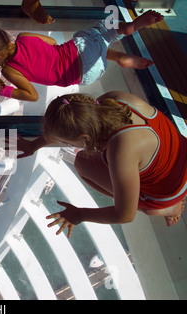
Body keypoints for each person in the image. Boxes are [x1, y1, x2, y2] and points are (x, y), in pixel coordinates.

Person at [10, 91, 187, 237]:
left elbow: (125, 215)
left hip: (169, 193)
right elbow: (70, 125)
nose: (70, 146)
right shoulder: (113, 100)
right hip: (182, 158)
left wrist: (79, 215)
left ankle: (168, 208)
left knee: (82, 163)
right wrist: (34, 145)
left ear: (84, 138)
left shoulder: (121, 151)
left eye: (69, 143)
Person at [0, 10, 163, 102]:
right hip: (82, 49)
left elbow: (32, 96)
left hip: (86, 75)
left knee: (94, 45)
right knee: (101, 29)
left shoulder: (10, 71)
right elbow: (54, 44)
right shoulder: (24, 37)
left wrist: (1, 90)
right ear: (3, 36)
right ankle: (125, 29)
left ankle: (118, 57)